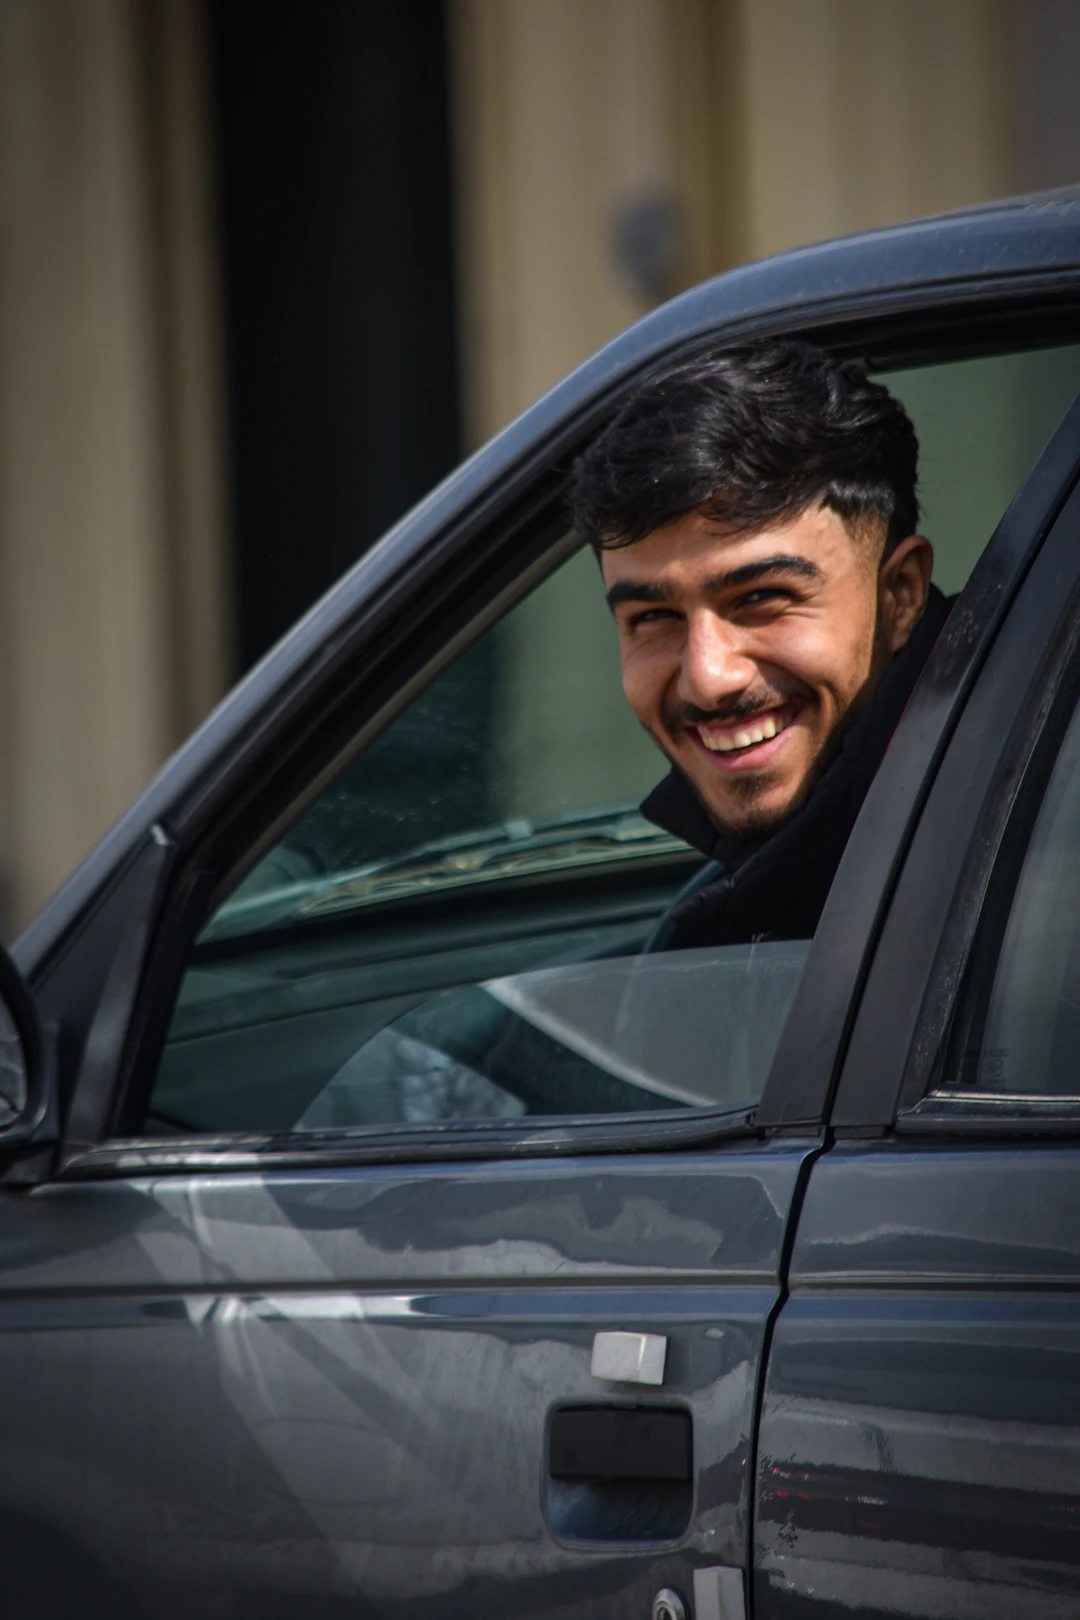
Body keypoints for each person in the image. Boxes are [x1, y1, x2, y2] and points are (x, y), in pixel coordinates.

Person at [569, 339, 949, 949]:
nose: (708, 677)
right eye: (655, 617)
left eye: (759, 599)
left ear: (900, 594)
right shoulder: (744, 901)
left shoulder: (1015, 864)